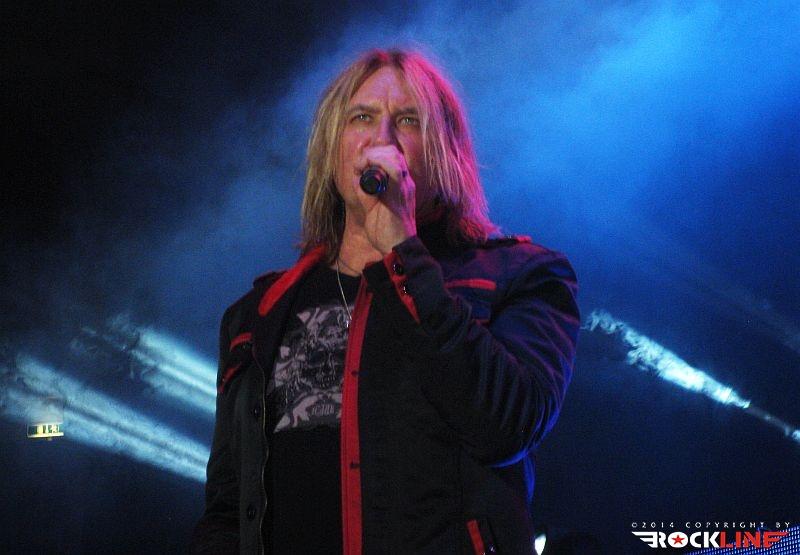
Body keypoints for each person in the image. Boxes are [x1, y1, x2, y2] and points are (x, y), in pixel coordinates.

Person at [191, 48, 580, 555]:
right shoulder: (256, 314)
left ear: (444, 153)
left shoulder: (520, 276)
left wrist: (401, 250)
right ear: (332, 151)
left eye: (408, 121)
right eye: (362, 118)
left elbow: (507, 427)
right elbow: (228, 503)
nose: (383, 138)